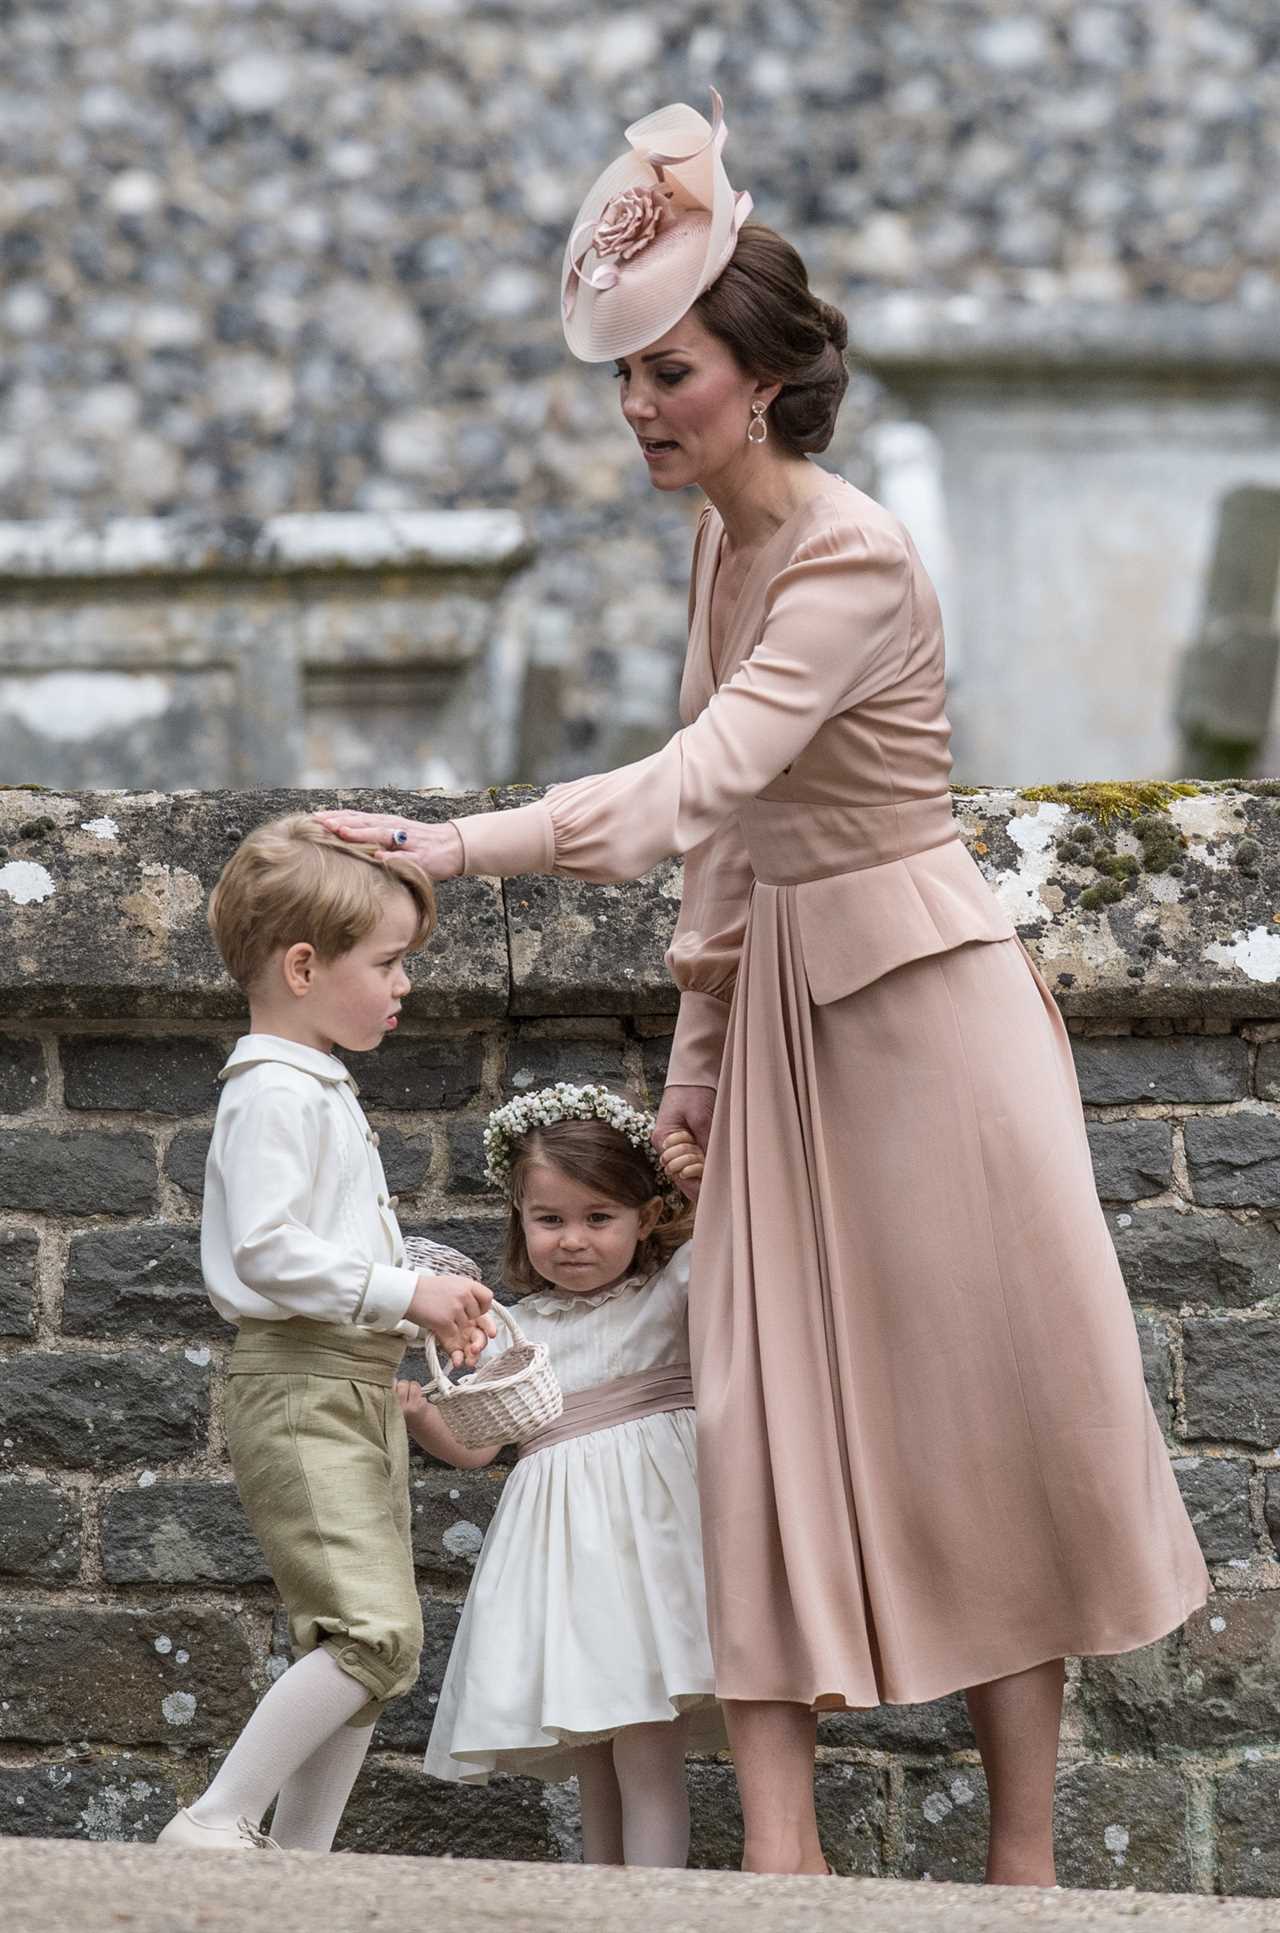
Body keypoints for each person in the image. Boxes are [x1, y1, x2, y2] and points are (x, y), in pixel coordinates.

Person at [316, 92, 1210, 1883]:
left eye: (672, 374)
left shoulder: (854, 551)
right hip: (789, 1022)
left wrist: (452, 844)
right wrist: (698, 1070)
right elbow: (730, 865)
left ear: (766, 377)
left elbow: (689, 788)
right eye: (626, 378)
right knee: (759, 1418)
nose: (642, 408)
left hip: (928, 1021)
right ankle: (782, 1868)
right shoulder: (722, 542)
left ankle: (1024, 1870)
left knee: (983, 1421)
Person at [156, 815, 495, 1854]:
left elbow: (319, 1240)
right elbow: (263, 1252)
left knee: (374, 1646)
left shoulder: (312, 1086)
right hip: (302, 1387)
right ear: (303, 965)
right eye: (388, 963)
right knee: (370, 1633)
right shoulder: (271, 1094)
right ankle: (215, 1820)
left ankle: (301, 1860)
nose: (403, 987)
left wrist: (419, 1287)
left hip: (346, 1383)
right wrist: (400, 1289)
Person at [402, 1084, 719, 1869]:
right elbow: (481, 1445)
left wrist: (701, 1187)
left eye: (597, 1217)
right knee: (595, 1760)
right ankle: (605, 1903)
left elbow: (738, 1241)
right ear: (521, 1220)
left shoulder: (669, 1292)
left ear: (645, 1218)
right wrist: (420, 1414)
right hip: (570, 1572)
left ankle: (656, 1911)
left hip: (653, 1555)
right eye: (549, 1219)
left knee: (647, 1751)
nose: (572, 1239)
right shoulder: (520, 1325)